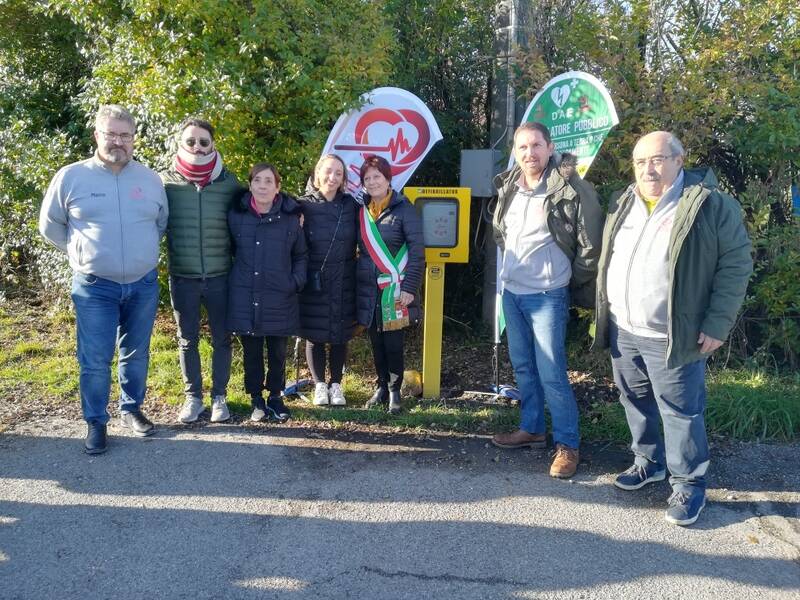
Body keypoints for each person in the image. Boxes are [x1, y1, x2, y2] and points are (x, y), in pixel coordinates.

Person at [594, 131, 752, 525]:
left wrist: (717, 323)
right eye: (640, 161)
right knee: (634, 399)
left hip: (673, 333)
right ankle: (649, 462)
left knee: (681, 411)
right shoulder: (623, 200)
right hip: (624, 327)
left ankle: (689, 484)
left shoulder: (709, 205)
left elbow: (735, 266)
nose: (648, 168)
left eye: (658, 159)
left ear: (680, 161)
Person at [39, 104, 168, 454]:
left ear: (134, 139)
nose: (118, 142)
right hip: (95, 286)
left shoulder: (150, 179)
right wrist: (83, 252)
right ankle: (96, 421)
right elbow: (50, 226)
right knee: (95, 359)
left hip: (142, 283)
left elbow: (160, 223)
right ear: (97, 135)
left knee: (136, 352)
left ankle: (131, 409)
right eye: (111, 134)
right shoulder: (71, 177)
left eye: (125, 135)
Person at [490, 121, 603, 479]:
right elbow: (501, 233)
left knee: (552, 373)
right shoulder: (509, 185)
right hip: (514, 293)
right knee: (523, 367)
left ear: (550, 148)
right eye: (522, 147)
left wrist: (567, 280)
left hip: (548, 295)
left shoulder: (570, 188)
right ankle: (533, 429)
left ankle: (568, 445)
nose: (530, 153)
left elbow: (591, 245)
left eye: (536, 145)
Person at [161, 118, 245, 424]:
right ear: (181, 144)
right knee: (187, 339)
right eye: (191, 141)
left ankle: (219, 397)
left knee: (222, 338)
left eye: (204, 142)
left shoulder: (230, 184)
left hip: (221, 276)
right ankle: (193, 397)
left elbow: (257, 210)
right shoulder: (164, 183)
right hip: (182, 276)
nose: (197, 147)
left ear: (213, 145)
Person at [227, 163, 308, 422]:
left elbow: (301, 254)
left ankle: (275, 396)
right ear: (250, 184)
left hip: (279, 294)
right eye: (258, 180)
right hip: (245, 294)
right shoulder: (236, 215)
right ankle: (256, 400)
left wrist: (295, 281)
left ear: (277, 187)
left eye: (269, 181)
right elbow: (227, 248)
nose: (263, 186)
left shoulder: (291, 218)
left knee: (277, 351)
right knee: (251, 351)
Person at [355, 155, 425, 414]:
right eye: (367, 178)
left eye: (377, 177)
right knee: (376, 341)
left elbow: (418, 251)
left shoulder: (405, 209)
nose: (372, 182)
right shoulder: (362, 212)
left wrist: (409, 288)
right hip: (370, 291)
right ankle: (382, 387)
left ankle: (395, 392)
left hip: (396, 291)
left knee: (393, 342)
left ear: (388, 179)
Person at [297, 154, 358, 406]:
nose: (332, 178)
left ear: (344, 179)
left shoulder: (352, 206)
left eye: (338, 173)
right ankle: (320, 385)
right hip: (314, 279)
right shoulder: (301, 206)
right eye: (328, 171)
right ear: (317, 172)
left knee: (340, 333)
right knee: (315, 333)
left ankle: (336, 385)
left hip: (345, 277)